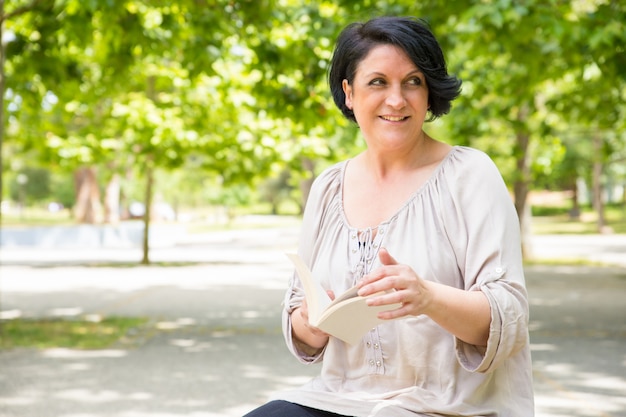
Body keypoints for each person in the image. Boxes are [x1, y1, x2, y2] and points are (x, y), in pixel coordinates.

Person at [244, 16, 534, 417]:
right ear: (349, 93)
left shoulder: (471, 175)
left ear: (429, 91)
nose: (396, 100)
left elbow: (510, 318)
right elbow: (300, 320)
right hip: (339, 399)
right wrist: (309, 324)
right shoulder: (328, 187)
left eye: (412, 82)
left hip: (449, 407)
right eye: (378, 82)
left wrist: (427, 297)